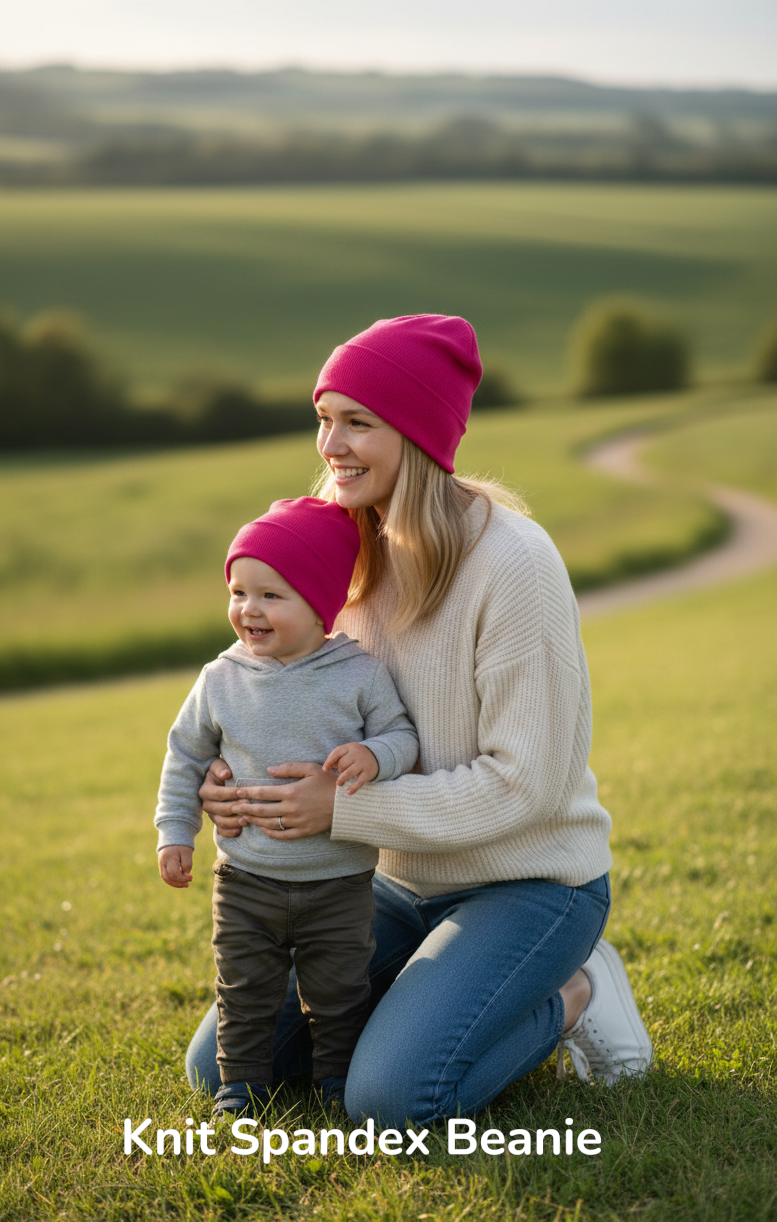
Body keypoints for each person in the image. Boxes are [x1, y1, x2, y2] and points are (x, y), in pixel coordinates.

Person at [189, 313, 653, 1127]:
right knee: (224, 1063)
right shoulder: (337, 548)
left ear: (416, 434)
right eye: (324, 417)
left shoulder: (514, 563)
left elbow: (528, 784)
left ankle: (576, 991)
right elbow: (278, 681)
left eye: (358, 422)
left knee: (391, 1100)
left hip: (529, 884)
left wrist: (344, 807)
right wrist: (231, 778)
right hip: (392, 879)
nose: (331, 444)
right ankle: (427, 999)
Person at [155, 496, 419, 1118]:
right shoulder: (219, 678)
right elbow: (185, 756)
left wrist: (374, 755)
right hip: (246, 881)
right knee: (245, 990)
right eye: (239, 591)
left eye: (272, 595)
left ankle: (336, 1081)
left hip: (338, 882)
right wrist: (175, 831)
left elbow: (403, 735)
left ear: (320, 603)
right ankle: (238, 1089)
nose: (249, 609)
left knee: (338, 991)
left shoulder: (358, 673)